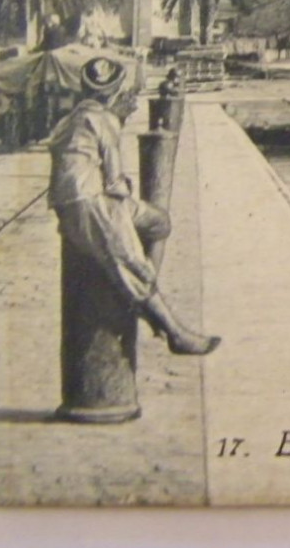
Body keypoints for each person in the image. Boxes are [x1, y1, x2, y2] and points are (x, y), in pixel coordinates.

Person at [47, 57, 219, 355]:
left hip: (73, 202)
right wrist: (126, 192)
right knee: (137, 256)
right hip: (91, 203)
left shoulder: (72, 118)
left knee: (158, 222)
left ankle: (146, 298)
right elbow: (115, 185)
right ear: (116, 92)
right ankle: (175, 333)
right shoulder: (105, 120)